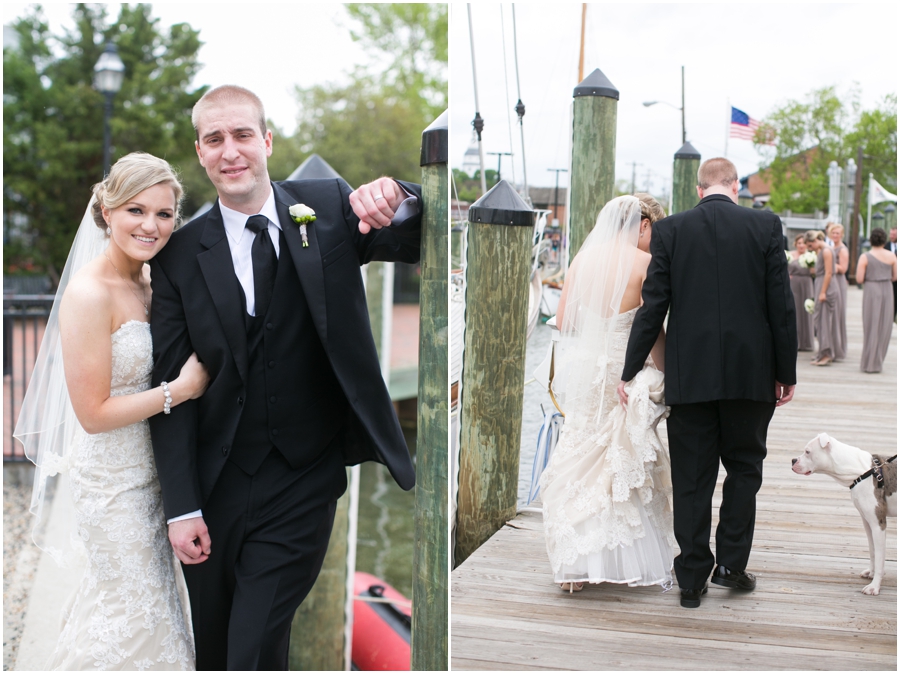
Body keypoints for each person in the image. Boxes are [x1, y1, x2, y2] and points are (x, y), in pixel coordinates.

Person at [146, 85, 422, 671]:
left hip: (303, 475)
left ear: (266, 141)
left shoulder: (325, 206)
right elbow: (170, 392)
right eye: (215, 139)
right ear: (200, 152)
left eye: (242, 134)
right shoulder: (178, 255)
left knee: (250, 647)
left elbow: (413, 236)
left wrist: (402, 195)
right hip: (214, 483)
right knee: (218, 652)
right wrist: (181, 507)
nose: (231, 151)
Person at [14, 153, 210, 669]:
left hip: (155, 473)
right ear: (106, 210)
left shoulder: (151, 283)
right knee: (133, 614)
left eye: (164, 214)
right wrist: (181, 390)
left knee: (155, 608)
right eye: (135, 210)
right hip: (112, 481)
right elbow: (93, 413)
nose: (151, 225)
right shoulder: (87, 293)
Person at [619, 158, 797, 609]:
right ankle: (732, 566)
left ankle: (692, 577)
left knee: (692, 479)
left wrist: (629, 369)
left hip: (691, 376)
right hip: (750, 374)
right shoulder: (764, 226)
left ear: (699, 190)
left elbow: (652, 305)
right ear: (734, 186)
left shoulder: (673, 230)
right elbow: (782, 305)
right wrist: (786, 372)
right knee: (743, 470)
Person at [540, 193, 674, 593]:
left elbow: (564, 320)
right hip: (622, 369)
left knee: (579, 452)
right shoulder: (644, 264)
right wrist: (667, 375)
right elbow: (650, 328)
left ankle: (573, 565)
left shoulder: (582, 260)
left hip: (585, 368)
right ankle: (609, 557)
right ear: (642, 224)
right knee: (615, 459)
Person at [856, 227, 897, 373]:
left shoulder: (865, 256)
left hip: (871, 290)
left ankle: (868, 362)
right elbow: (895, 277)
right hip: (887, 289)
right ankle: (877, 361)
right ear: (884, 240)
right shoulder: (892, 256)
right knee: (885, 326)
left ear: (871, 239)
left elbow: (859, 279)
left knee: (870, 325)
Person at [805, 230, 839, 366]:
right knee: (819, 321)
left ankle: (826, 354)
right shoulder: (821, 251)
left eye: (809, 246)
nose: (810, 249)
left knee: (824, 321)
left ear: (814, 241)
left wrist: (823, 292)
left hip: (827, 287)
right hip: (820, 284)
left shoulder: (826, 251)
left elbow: (829, 273)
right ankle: (822, 352)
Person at [788, 234, 815, 351]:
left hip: (807, 283)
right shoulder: (790, 255)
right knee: (795, 310)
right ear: (796, 244)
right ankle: (795, 341)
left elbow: (815, 272)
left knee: (807, 310)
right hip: (794, 284)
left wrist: (812, 265)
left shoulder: (811, 255)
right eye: (799, 243)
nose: (801, 245)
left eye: (803, 243)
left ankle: (807, 342)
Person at [827, 223, 849, 360]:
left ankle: (838, 349)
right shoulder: (831, 247)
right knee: (831, 316)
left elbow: (843, 268)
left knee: (837, 314)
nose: (835, 235)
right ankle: (831, 347)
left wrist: (828, 263)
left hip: (839, 282)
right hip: (831, 281)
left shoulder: (842, 249)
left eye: (837, 233)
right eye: (833, 233)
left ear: (842, 234)